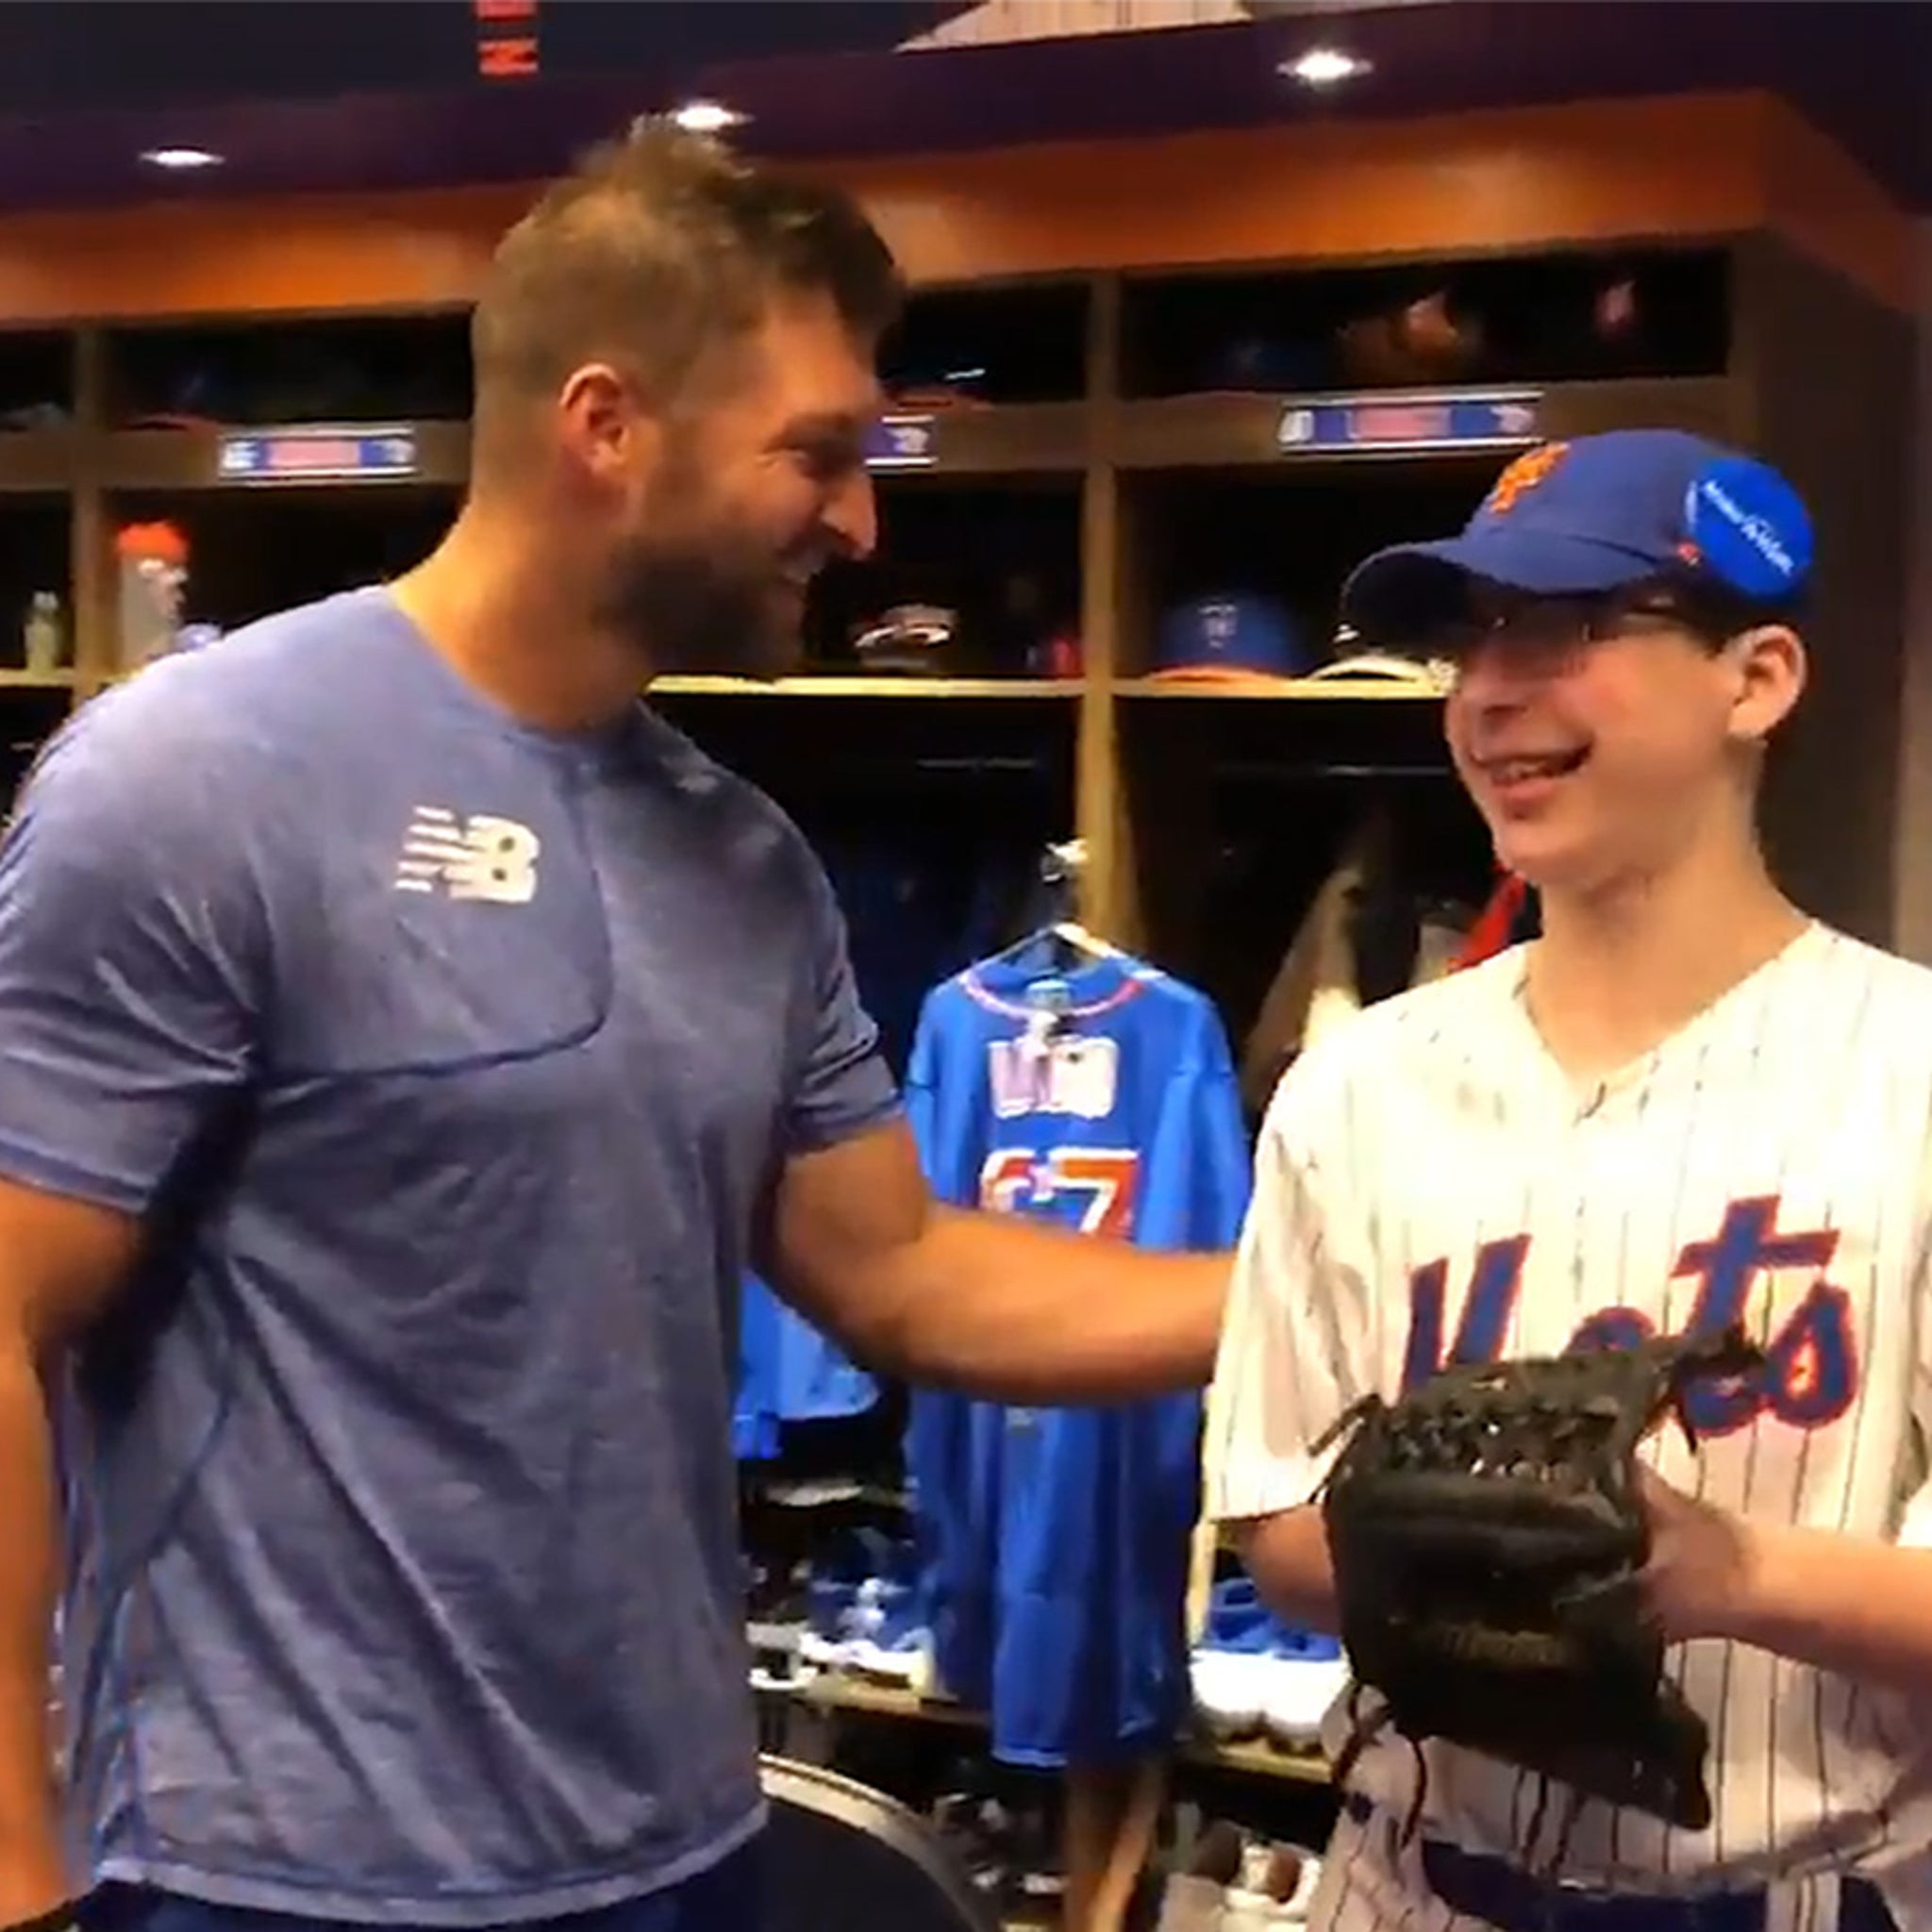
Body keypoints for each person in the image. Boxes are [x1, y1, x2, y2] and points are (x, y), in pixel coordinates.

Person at [0, 125, 1231, 1932]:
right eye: (818, 454)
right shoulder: (201, 778)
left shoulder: (743, 857)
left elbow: (899, 1274)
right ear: (605, 426)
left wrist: (1337, 1285)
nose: (863, 520)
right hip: (264, 1877)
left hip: (668, 1852)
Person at [1205, 427, 1932, 1932]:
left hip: (1791, 1898)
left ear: (1759, 679)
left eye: (1571, 626)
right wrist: (1425, 1556)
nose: (1491, 690)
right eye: (1471, 642)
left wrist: (1724, 1571)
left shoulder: (1909, 1070)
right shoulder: (1357, 1085)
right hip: (1407, 1890)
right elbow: (1268, 1525)